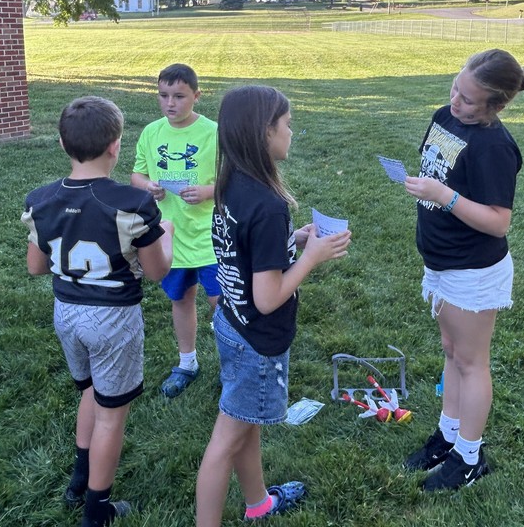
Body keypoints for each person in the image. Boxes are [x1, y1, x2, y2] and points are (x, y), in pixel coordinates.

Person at [195, 85, 351, 526]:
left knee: (245, 424)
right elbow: (268, 297)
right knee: (225, 440)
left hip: (231, 322)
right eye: (287, 124)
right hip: (256, 341)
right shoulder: (267, 204)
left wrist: (292, 240)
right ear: (265, 133)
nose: (292, 131)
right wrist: (310, 258)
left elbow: (246, 252)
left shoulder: (233, 183)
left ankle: (258, 502)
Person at [22, 96, 174, 527]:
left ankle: (78, 479)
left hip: (66, 311)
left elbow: (36, 266)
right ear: (115, 146)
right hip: (112, 318)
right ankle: (97, 509)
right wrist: (168, 238)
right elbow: (157, 272)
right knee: (111, 415)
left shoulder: (41, 199)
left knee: (89, 390)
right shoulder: (133, 203)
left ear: (61, 143)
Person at [402, 49, 524, 491]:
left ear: (495, 106)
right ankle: (449, 435)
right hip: (441, 260)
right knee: (452, 351)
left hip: (472, 269)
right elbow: (437, 168)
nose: (456, 101)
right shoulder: (445, 116)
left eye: (470, 100)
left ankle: (470, 459)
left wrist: (445, 197)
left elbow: (498, 220)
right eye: (456, 88)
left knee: (473, 362)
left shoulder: (494, 146)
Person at [131, 64, 218, 398]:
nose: (171, 103)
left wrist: (208, 192)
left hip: (210, 236)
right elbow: (136, 175)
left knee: (220, 302)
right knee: (181, 298)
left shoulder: (214, 133)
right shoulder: (152, 133)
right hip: (170, 235)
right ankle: (187, 363)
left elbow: (233, 178)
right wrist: (148, 186)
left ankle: (233, 365)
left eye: (179, 96)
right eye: (163, 95)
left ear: (196, 96)